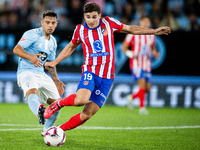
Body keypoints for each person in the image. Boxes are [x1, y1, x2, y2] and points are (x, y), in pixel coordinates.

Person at [44, 2, 170, 131]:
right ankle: (58, 104)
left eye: (94, 17)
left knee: (87, 114)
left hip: (107, 77)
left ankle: (57, 130)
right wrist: (55, 62)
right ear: (84, 16)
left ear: (100, 15)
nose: (91, 20)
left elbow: (131, 29)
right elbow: (71, 47)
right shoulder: (80, 30)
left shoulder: (108, 23)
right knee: (80, 100)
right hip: (90, 71)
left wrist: (154, 31)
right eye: (88, 17)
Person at [13, 10, 65, 136]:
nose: (50, 25)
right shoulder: (32, 34)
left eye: (53, 23)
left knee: (57, 105)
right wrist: (31, 57)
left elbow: (51, 63)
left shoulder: (53, 41)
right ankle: (39, 110)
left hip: (41, 74)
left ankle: (46, 130)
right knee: (32, 92)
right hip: (26, 72)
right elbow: (16, 49)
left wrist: (56, 80)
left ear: (56, 24)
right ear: (42, 23)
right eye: (47, 22)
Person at [122, 16, 160, 115]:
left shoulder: (152, 35)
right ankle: (142, 108)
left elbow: (153, 48)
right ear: (140, 22)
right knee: (142, 85)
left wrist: (155, 52)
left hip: (147, 64)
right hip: (136, 63)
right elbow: (124, 47)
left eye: (148, 22)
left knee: (147, 88)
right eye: (144, 21)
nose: (146, 23)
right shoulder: (133, 34)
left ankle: (131, 97)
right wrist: (130, 54)